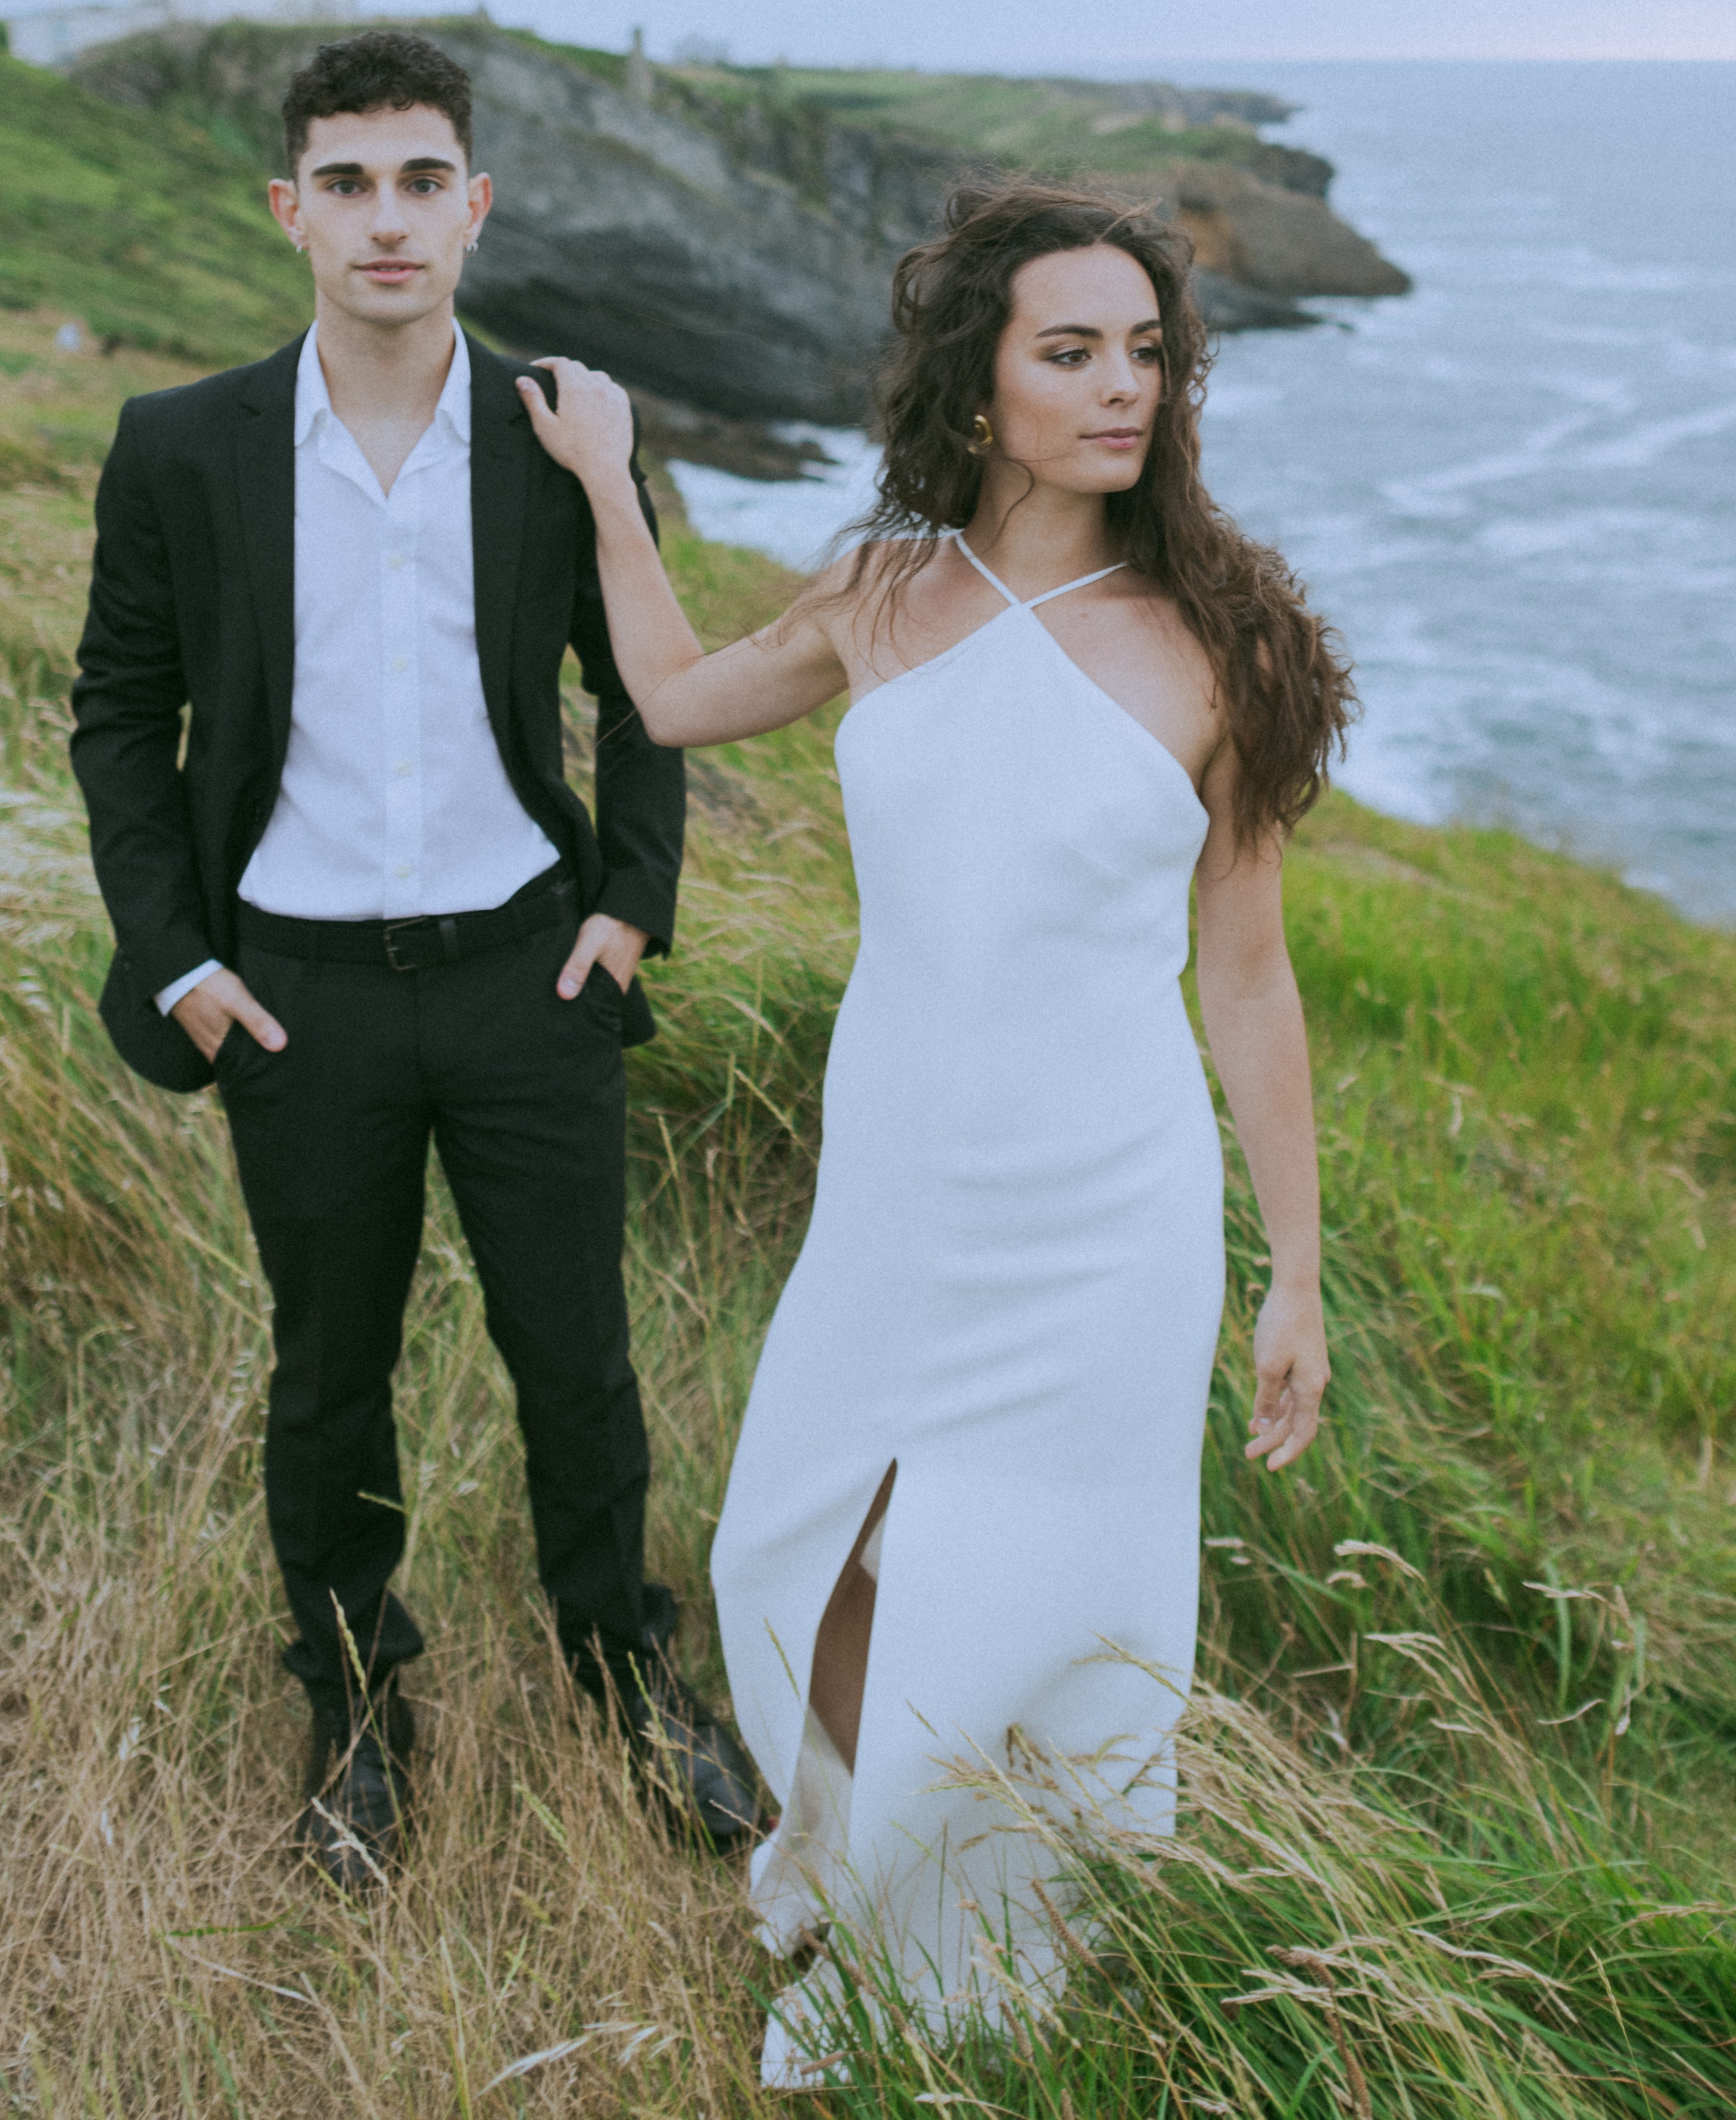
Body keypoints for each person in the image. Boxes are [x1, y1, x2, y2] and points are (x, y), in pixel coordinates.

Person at [519, 175, 1353, 2086]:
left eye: (1144, 351)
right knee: (786, 1552)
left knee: (1037, 1594)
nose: (1120, 385)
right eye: (1070, 351)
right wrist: (610, 479)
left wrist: (1293, 1265)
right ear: (978, 390)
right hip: (899, 1185)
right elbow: (661, 694)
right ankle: (894, 1871)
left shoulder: (1216, 640)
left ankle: (964, 1957)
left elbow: (1246, 976)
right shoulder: (883, 591)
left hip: (1105, 1204)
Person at [69, 28, 759, 1885]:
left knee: (579, 1359)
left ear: (476, 205)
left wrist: (629, 906)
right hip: (294, 991)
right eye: (350, 183)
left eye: (423, 180)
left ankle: (628, 1677)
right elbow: (121, 722)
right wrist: (184, 962)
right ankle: (358, 1703)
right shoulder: (183, 444)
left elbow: (642, 690)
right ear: (291, 208)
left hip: (529, 975)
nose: (389, 219)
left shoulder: (567, 432)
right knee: (329, 1373)